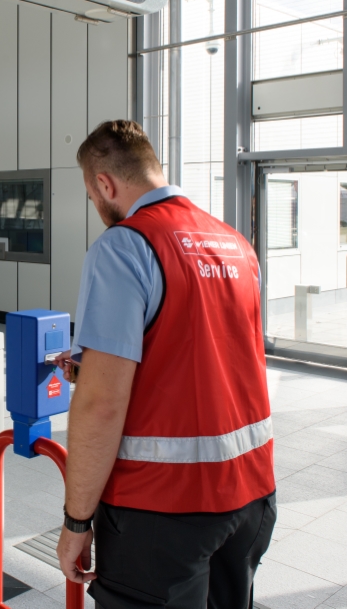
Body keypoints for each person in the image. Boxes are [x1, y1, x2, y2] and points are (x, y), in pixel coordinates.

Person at [51, 120, 276, 609]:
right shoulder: (235, 245)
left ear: (105, 184)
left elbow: (102, 405)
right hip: (250, 496)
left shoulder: (124, 247)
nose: (97, 208)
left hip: (162, 511)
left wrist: (76, 522)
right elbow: (204, 352)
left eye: (93, 197)